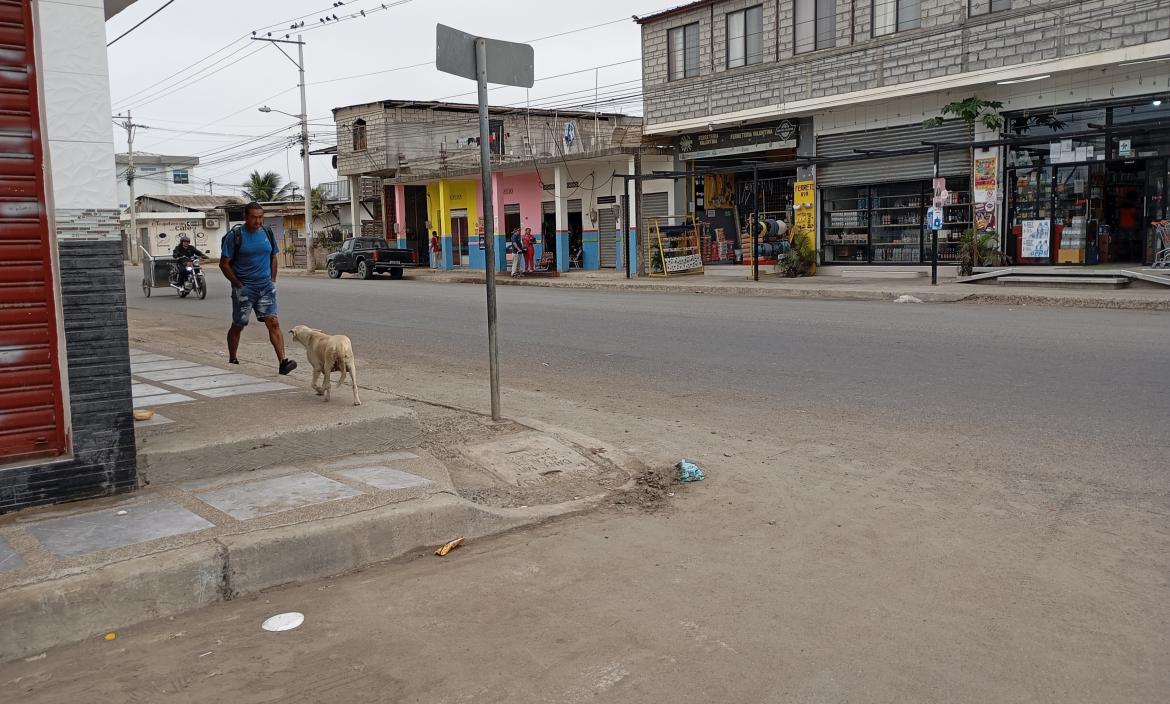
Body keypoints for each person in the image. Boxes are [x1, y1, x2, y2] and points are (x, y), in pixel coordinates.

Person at [219, 202, 297, 375]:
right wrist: (238, 284)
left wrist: (272, 280)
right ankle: (232, 358)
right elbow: (224, 264)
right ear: (246, 217)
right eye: (254, 217)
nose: (258, 221)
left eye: (260, 217)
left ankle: (283, 362)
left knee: (273, 322)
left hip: (265, 288)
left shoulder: (267, 233)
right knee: (239, 325)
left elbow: (273, 257)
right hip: (245, 290)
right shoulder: (235, 236)